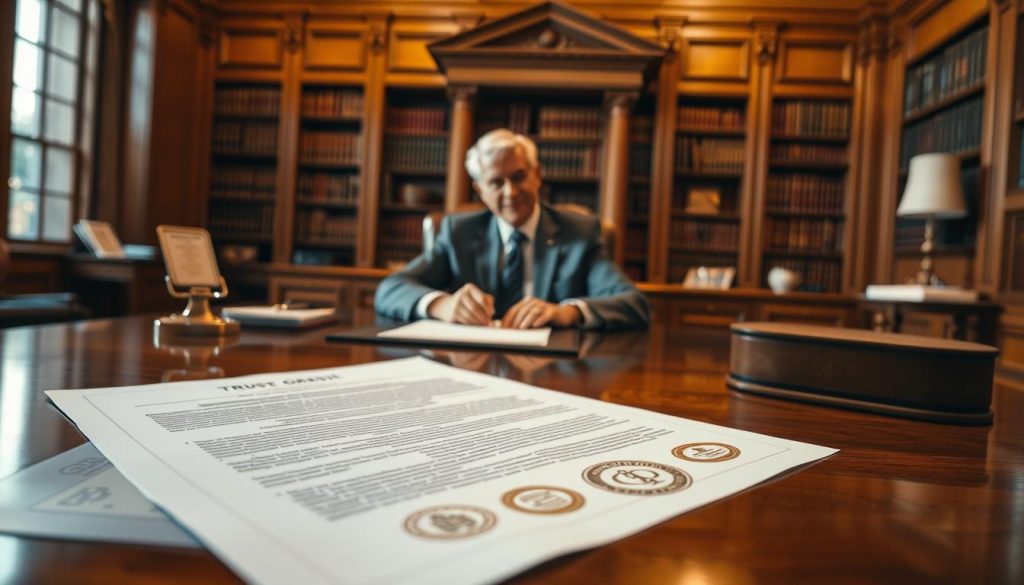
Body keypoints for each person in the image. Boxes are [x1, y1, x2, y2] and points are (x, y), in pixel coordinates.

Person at [374, 129, 649, 330]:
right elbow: (390, 288)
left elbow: (633, 303)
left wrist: (566, 311)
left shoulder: (581, 232)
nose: (511, 192)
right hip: (473, 366)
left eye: (519, 177)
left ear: (537, 175)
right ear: (480, 190)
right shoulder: (458, 232)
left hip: (554, 372)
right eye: (496, 182)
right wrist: (441, 305)